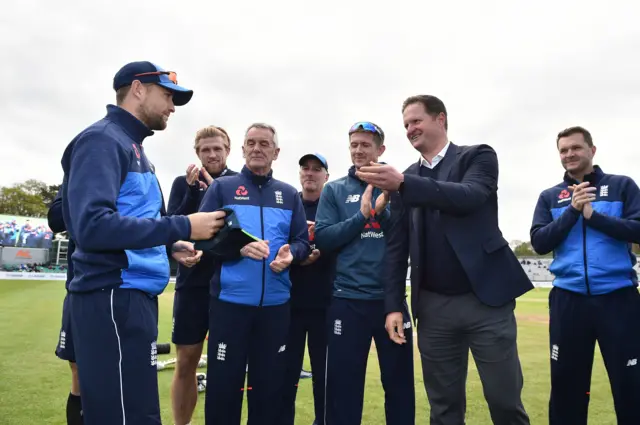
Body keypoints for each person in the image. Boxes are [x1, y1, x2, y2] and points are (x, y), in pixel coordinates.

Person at [59, 61, 227, 425]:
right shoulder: (103, 140)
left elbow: (136, 220)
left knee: (138, 413)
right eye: (167, 95)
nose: (172, 106)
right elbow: (91, 226)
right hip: (112, 297)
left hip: (132, 298)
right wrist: (184, 226)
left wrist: (169, 246)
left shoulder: (134, 147)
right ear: (138, 89)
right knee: (124, 416)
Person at [357, 95, 533, 425]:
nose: (410, 129)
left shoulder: (477, 156)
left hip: (486, 302)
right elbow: (397, 247)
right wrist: (393, 305)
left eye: (416, 121)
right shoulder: (405, 176)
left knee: (504, 401)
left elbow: (469, 197)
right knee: (443, 407)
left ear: (441, 119)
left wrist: (405, 184)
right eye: (406, 124)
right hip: (435, 309)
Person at [198, 122, 310, 425]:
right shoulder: (221, 188)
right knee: (223, 389)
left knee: (269, 391)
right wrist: (237, 249)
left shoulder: (288, 195)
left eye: (264, 143)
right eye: (251, 143)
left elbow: (302, 241)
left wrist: (291, 255)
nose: (257, 148)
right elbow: (203, 239)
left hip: (275, 309)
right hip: (230, 306)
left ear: (275, 152)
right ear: (243, 149)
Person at [530, 126, 640, 425]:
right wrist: (574, 211)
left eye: (575, 148)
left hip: (618, 299)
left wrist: (594, 216)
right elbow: (540, 243)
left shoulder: (622, 186)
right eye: (563, 150)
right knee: (567, 388)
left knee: (631, 385)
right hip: (569, 300)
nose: (569, 154)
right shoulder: (551, 196)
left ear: (592, 150)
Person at [315, 122, 415, 425]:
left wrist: (381, 213)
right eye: (354, 144)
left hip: (391, 302)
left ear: (380, 150)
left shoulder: (399, 186)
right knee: (343, 390)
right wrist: (362, 216)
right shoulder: (334, 190)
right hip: (347, 301)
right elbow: (324, 239)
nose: (358, 150)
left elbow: (406, 240)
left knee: (399, 387)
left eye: (366, 145)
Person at [167, 125, 238, 425]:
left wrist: (214, 192)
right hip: (191, 286)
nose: (212, 154)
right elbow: (169, 227)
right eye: (205, 149)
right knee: (185, 363)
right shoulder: (182, 184)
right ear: (197, 153)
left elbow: (238, 233)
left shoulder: (239, 183)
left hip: (229, 286)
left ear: (228, 150)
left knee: (227, 366)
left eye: (217, 148)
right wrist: (191, 194)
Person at [279, 152, 335, 425]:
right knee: (286, 375)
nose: (310, 173)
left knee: (325, 377)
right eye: (305, 168)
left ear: (327, 176)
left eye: (316, 169)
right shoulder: (289, 205)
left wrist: (321, 250)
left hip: (326, 304)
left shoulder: (333, 205)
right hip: (289, 304)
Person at [48, 185, 82, 425]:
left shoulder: (140, 168)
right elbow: (56, 219)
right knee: (78, 370)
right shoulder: (78, 168)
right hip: (80, 288)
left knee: (118, 375)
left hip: (126, 287)